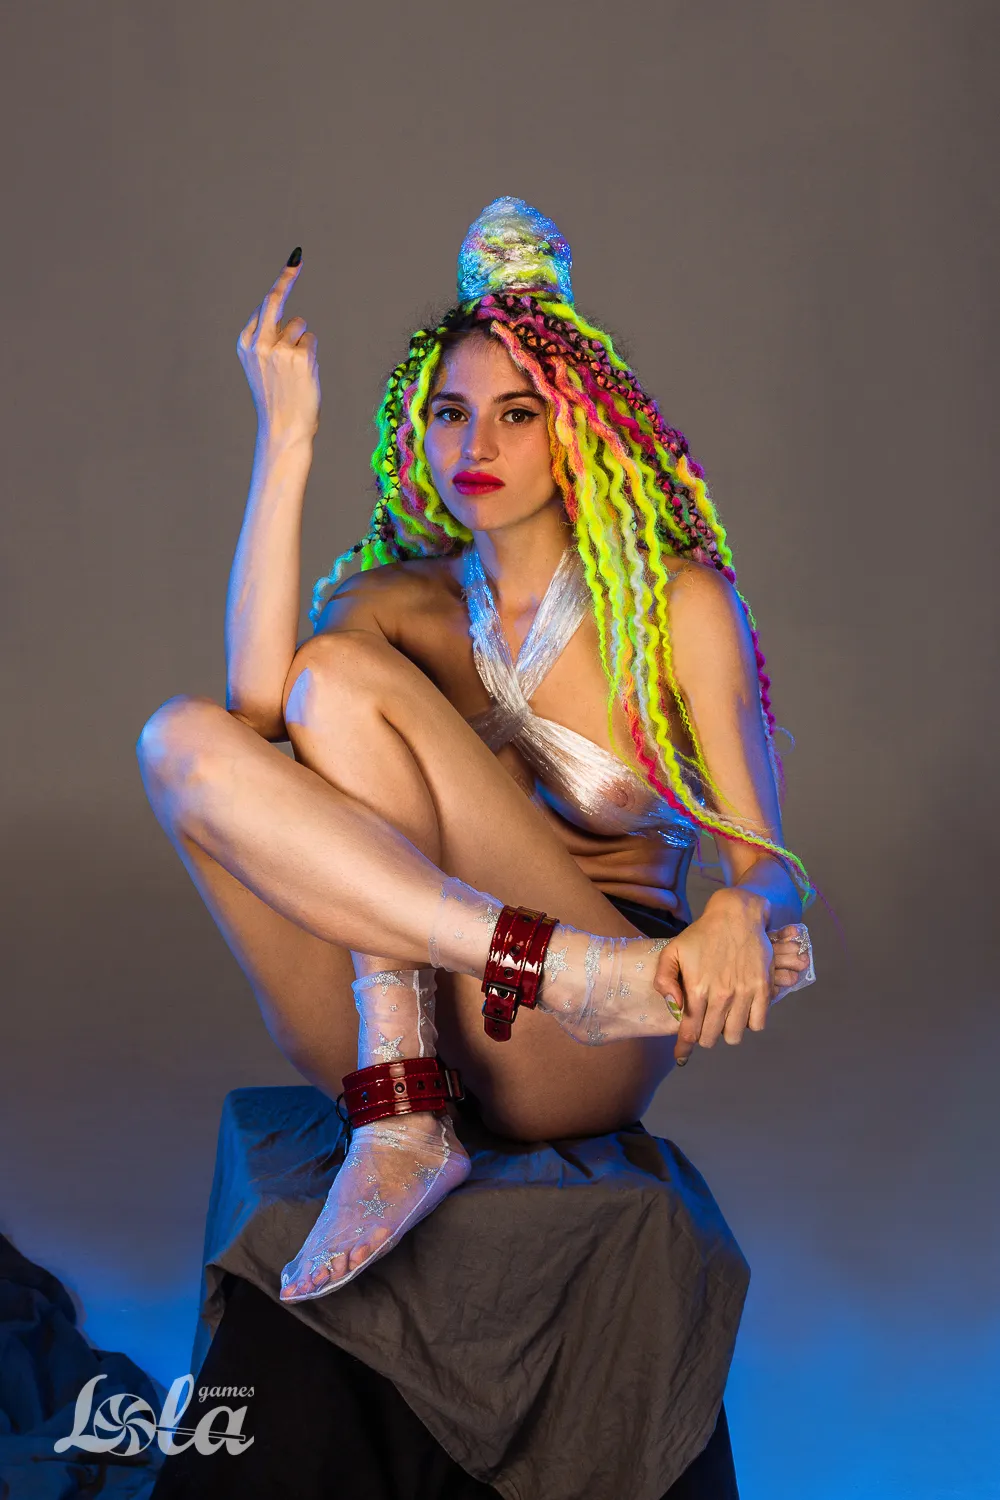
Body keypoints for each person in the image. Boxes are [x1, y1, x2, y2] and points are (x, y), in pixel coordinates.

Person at [137, 196, 812, 1331]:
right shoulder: (394, 602)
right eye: (450, 414)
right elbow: (251, 718)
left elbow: (768, 868)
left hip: (575, 1052)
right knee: (177, 737)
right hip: (393, 1031)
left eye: (515, 414)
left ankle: (561, 990)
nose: (475, 448)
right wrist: (286, 437)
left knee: (336, 678)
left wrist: (746, 911)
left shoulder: (676, 606)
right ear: (419, 429)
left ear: (578, 428)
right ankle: (409, 1109)